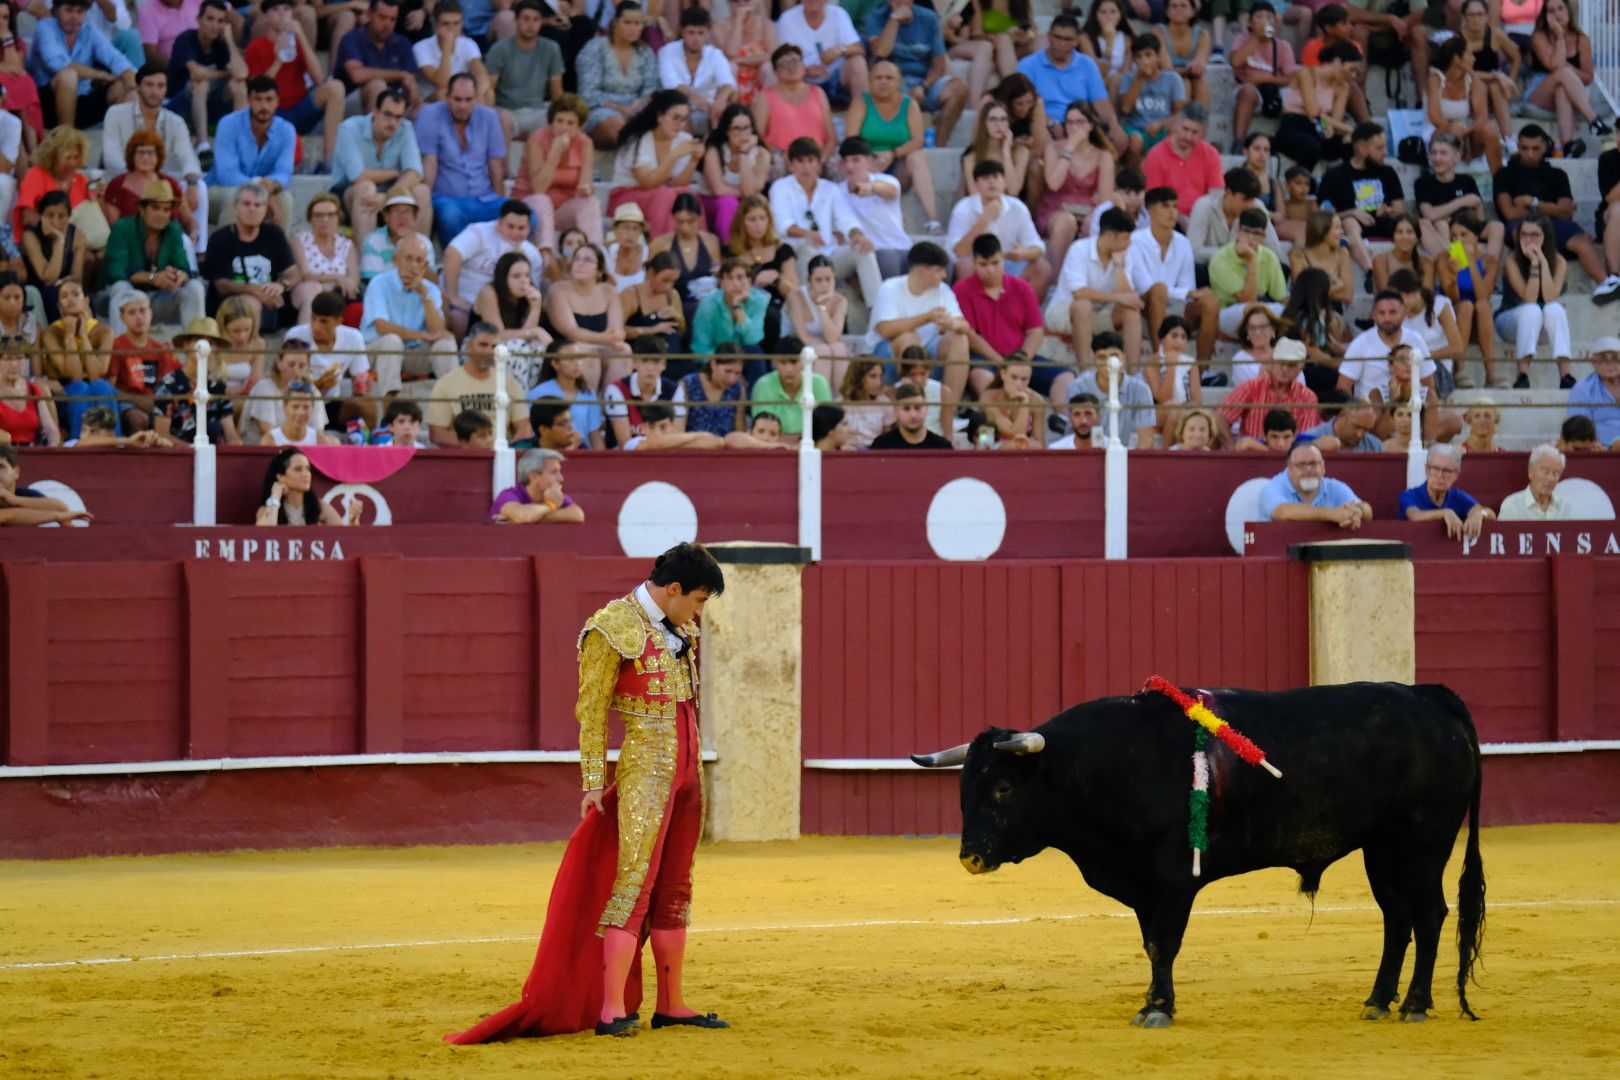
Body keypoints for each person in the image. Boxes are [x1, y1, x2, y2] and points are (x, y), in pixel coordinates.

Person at [447, 542, 725, 1043]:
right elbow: (591, 711)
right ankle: (611, 1007)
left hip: (687, 776)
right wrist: (593, 781)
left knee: (676, 889)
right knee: (632, 886)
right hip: (647, 773)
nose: (700, 613)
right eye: (700, 601)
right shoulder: (610, 627)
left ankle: (672, 1004)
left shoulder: (680, 626)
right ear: (675, 589)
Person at [1493, 125, 1610, 336]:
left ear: (1545, 146)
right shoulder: (1505, 174)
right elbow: (1510, 213)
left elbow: (1567, 212)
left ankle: (1606, 284)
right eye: (1524, 147)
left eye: (1535, 148)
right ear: (1518, 146)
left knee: (1582, 240)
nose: (1529, 153)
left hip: (1554, 226)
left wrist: (1531, 202)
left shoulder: (1557, 174)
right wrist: (1551, 207)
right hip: (1522, 227)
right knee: (1520, 233)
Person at [99, 65, 204, 248]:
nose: (155, 91)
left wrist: (193, 183)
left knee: (200, 186)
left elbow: (188, 157)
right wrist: (141, 175)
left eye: (160, 86)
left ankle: (199, 250)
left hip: (162, 179)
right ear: (138, 87)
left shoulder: (175, 121)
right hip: (121, 177)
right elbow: (111, 157)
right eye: (149, 85)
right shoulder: (116, 114)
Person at [868, 242, 971, 410]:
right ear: (921, 271)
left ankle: (949, 412)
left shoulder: (943, 291)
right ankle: (910, 407)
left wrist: (951, 323)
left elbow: (965, 326)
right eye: (939, 270)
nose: (944, 275)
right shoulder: (890, 288)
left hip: (928, 357)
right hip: (889, 357)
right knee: (909, 339)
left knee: (959, 339)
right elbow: (885, 329)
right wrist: (927, 317)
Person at [843, 58, 941, 233]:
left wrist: (893, 153)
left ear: (899, 81)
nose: (883, 82)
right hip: (867, 166)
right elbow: (851, 139)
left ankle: (933, 220)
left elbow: (917, 140)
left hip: (897, 164)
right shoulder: (861, 102)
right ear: (870, 81)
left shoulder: (909, 104)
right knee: (853, 161)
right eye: (878, 78)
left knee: (917, 156)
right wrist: (870, 160)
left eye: (889, 78)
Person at [244, 0, 344, 172]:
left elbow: (319, 79)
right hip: (273, 113)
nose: (282, 13)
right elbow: (256, 89)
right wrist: (279, 59)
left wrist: (302, 36)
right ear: (267, 16)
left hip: (299, 108)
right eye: (276, 9)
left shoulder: (298, 44)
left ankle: (329, 160)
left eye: (286, 9)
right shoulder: (256, 46)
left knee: (335, 87)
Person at [100, 179, 205, 337]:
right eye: (155, 208)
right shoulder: (122, 228)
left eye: (166, 210)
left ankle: (196, 353)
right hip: (123, 298)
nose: (161, 215)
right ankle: (122, 357)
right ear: (142, 209)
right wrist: (152, 278)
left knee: (194, 287)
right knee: (121, 287)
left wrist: (178, 277)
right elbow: (116, 271)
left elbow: (183, 266)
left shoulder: (173, 230)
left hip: (158, 298)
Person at [1046, 207, 1140, 381]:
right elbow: (1079, 293)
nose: (1129, 243)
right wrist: (1118, 298)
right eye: (1126, 238)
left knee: (1130, 310)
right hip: (1065, 313)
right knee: (1083, 305)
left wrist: (1119, 265)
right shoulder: (1079, 249)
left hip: (1098, 314)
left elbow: (1129, 298)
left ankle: (1132, 374)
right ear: (1111, 236)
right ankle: (1086, 372)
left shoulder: (1124, 255)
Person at [363, 233, 459, 396]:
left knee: (446, 345)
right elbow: (382, 327)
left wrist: (424, 295)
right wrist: (422, 335)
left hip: (413, 353)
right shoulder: (379, 284)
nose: (413, 265)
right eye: (408, 259)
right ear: (396, 260)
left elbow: (437, 332)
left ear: (425, 266)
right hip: (377, 351)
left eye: (419, 260)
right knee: (392, 341)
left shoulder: (431, 290)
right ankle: (391, 405)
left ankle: (454, 402)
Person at [864, 1, 971, 148]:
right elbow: (881, 53)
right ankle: (899, 145)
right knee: (888, 87)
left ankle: (937, 147)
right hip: (892, 80)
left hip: (923, 80)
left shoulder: (929, 18)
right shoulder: (875, 17)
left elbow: (939, 65)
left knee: (960, 89)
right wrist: (894, 19)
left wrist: (924, 86)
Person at [332, 86, 431, 243]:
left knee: (422, 191)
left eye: (398, 117)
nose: (393, 123)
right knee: (366, 188)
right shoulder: (349, 128)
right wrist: (394, 172)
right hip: (348, 193)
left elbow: (415, 173)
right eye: (387, 115)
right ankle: (366, 263)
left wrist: (388, 198)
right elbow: (358, 175)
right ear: (375, 111)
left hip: (388, 194)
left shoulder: (405, 128)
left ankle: (419, 257)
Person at [418, 74, 507, 246]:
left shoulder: (489, 117)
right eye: (457, 99)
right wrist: (426, 207)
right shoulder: (430, 115)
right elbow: (429, 163)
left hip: (484, 198)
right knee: (451, 217)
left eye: (468, 100)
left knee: (526, 217)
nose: (463, 106)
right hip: (447, 199)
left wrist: (500, 203)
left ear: (476, 99)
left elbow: (496, 165)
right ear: (447, 97)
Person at [202, 183, 298, 334]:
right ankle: (252, 350)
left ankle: (303, 347)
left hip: (272, 301)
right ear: (235, 207)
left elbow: (293, 272)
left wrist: (282, 285)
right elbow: (222, 285)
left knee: (309, 289)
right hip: (232, 307)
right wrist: (257, 292)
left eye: (258, 205)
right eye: (246, 204)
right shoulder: (220, 239)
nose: (252, 209)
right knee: (249, 303)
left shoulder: (274, 234)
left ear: (265, 209)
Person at [955, 234, 1044, 396]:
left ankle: (1062, 419)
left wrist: (1022, 361)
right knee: (980, 376)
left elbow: (1035, 330)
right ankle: (1000, 419)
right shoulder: (962, 290)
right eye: (983, 264)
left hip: (1021, 356)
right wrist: (1002, 363)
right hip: (984, 359)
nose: (991, 270)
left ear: (1003, 260)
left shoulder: (1022, 287)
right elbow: (970, 335)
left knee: (1064, 376)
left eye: (996, 263)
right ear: (974, 264)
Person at [947, 158, 1049, 298]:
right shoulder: (963, 208)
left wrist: (1023, 254)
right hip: (978, 263)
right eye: (985, 178)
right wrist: (984, 220)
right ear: (976, 184)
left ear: (1004, 182)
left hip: (1010, 262)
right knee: (965, 265)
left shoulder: (1018, 207)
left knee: (1043, 268)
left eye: (996, 177)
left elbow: (1037, 247)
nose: (992, 182)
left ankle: (1021, 314)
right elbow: (959, 252)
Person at [27, 0, 136, 130]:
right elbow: (57, 63)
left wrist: (132, 90)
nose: (74, 17)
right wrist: (103, 75)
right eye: (69, 10)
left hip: (81, 101)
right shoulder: (45, 27)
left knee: (124, 83)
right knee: (68, 76)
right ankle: (67, 138)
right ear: (57, 10)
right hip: (46, 104)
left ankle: (116, 138)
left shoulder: (89, 31)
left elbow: (117, 59)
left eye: (79, 12)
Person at [206, 76, 295, 229]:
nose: (264, 105)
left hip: (264, 192)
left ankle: (279, 251)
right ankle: (226, 251)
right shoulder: (228, 124)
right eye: (258, 99)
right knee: (238, 197)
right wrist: (261, 187)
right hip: (218, 190)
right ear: (248, 100)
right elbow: (227, 174)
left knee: (285, 199)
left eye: (269, 99)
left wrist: (270, 188)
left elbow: (284, 172)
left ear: (277, 101)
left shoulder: (286, 130)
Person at [1036, 101, 1114, 275]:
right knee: (1066, 221)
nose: (1074, 127)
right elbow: (1053, 183)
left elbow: (1106, 199)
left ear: (1091, 125)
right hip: (1055, 209)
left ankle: (1085, 279)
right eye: (1070, 122)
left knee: (1094, 223)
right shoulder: (1053, 148)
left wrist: (1092, 218)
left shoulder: (1103, 155)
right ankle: (1055, 279)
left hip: (1088, 210)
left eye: (1080, 122)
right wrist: (1070, 147)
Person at [1496, 212, 1572, 390]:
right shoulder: (1512, 260)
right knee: (1532, 310)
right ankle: (1522, 375)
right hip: (1510, 320)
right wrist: (1534, 264)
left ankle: (1566, 376)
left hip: (1543, 326)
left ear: (1546, 236)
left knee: (1555, 309)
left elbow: (1550, 297)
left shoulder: (1559, 261)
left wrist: (1543, 262)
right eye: (1524, 234)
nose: (1529, 239)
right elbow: (1529, 298)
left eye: (1535, 235)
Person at [517, 94, 604, 250]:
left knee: (590, 203)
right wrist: (554, 154)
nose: (564, 127)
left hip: (563, 208)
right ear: (551, 122)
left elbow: (586, 184)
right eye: (559, 121)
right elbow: (539, 188)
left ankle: (593, 254)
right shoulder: (537, 139)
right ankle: (546, 254)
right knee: (542, 201)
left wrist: (586, 189)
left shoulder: (585, 143)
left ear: (579, 126)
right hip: (531, 205)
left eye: (570, 123)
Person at [424, 322, 531, 447]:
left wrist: (507, 451)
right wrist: (472, 447)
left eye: (494, 346)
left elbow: (523, 428)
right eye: (483, 345)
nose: (489, 351)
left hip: (502, 454)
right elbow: (437, 434)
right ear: (469, 346)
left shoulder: (509, 383)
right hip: (465, 458)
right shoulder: (446, 384)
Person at [1525, 0, 1610, 158]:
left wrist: (1568, 70)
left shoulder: (1581, 39)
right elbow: (1554, 66)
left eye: (1560, 9)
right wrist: (1559, 36)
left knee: (1562, 90)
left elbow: (1588, 77)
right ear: (1545, 16)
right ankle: (1593, 120)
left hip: (1570, 93)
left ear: (1568, 11)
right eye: (1551, 11)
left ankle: (1568, 145)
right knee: (1562, 73)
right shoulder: (1539, 36)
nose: (1557, 14)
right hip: (1539, 93)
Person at [1317, 121, 1405, 274]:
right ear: (1362, 148)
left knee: (1423, 224)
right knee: (1350, 222)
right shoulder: (1335, 176)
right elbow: (1325, 214)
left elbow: (1399, 210)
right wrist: (1350, 212)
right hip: (1354, 227)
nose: (1385, 152)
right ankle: (1370, 270)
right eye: (1379, 148)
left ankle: (1457, 263)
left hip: (1384, 222)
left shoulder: (1388, 172)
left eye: (1385, 146)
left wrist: (1388, 210)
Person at [546, 242, 632, 393]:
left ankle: (612, 408)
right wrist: (607, 339)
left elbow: (618, 330)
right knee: (588, 355)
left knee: (624, 351)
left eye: (587, 260)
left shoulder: (609, 291)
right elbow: (572, 332)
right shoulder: (558, 290)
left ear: (599, 270)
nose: (580, 264)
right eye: (577, 259)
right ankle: (587, 405)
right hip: (568, 347)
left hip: (601, 345)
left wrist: (616, 337)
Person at [165, 0, 247, 157]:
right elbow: (197, 74)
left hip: (209, 106)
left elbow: (242, 73)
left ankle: (240, 142)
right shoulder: (186, 39)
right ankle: (203, 144)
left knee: (239, 85)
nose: (214, 25)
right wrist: (226, 73)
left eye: (220, 21)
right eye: (210, 19)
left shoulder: (222, 44)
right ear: (199, 20)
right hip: (178, 104)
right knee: (200, 84)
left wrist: (229, 41)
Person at [1016, 12, 1116, 137]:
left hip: (1080, 125)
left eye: (1068, 39)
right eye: (1057, 37)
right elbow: (1025, 107)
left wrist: (1115, 126)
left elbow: (1100, 102)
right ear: (1049, 36)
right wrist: (1052, 124)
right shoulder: (1028, 65)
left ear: (1077, 41)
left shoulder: (1087, 64)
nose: (1062, 43)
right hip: (1042, 125)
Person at [577, 2, 660, 150]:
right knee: (616, 125)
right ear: (615, 23)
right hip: (600, 110)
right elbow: (587, 94)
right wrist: (621, 108)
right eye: (627, 22)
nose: (633, 28)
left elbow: (651, 88)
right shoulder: (594, 49)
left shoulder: (645, 52)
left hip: (637, 110)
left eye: (638, 23)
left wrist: (640, 104)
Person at [41, 279, 115, 440]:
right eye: (65, 296)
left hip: (95, 386)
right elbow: (74, 376)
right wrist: (69, 335)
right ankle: (79, 446)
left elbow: (97, 374)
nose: (71, 299)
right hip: (65, 390)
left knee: (103, 387)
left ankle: (114, 444)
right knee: (80, 388)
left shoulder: (104, 331)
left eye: (76, 294)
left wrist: (83, 336)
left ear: (86, 300)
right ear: (59, 305)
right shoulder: (51, 333)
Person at [1415, 131, 1502, 264]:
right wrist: (1462, 202)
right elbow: (1430, 214)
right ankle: (1455, 268)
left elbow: (1480, 219)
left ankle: (1488, 269)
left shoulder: (1467, 181)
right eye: (1434, 153)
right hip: (1442, 231)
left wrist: (1477, 208)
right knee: (1439, 224)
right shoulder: (1423, 183)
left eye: (1443, 153)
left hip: (1467, 228)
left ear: (1456, 157)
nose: (1437, 158)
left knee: (1497, 226)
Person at [1060, 333, 1158, 448]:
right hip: (1082, 453)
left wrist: (1128, 464)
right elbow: (1076, 433)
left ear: (1124, 357)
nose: (1108, 363)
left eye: (1114, 356)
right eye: (1102, 357)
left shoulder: (1140, 390)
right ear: (1093, 359)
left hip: (1121, 455)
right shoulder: (1078, 387)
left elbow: (1146, 439)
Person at [154, 316, 240, 445]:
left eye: (210, 343)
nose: (204, 347)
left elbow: (231, 435)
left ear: (215, 349)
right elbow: (162, 436)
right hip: (178, 459)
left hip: (216, 459)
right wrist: (196, 451)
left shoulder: (219, 387)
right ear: (185, 345)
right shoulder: (168, 385)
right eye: (198, 341)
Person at [486, 1, 564, 141]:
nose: (531, 24)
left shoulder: (551, 49)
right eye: (526, 19)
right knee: (499, 119)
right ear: (516, 20)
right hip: (507, 111)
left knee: (567, 121)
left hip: (538, 110)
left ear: (541, 22)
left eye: (536, 19)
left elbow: (556, 92)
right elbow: (489, 89)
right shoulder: (500, 49)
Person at [1220, 338, 1322, 443]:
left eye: (1291, 365)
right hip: (1251, 455)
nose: (1285, 369)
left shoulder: (1308, 398)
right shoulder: (1250, 387)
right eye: (1280, 363)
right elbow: (1220, 417)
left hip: (1289, 456)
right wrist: (1230, 446)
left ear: (1301, 368)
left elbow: (1304, 439)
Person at [695, 103, 770, 247]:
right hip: (711, 202)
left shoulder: (762, 154)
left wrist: (743, 154)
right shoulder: (714, 151)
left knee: (758, 204)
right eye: (736, 129)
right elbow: (718, 190)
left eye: (746, 128)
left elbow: (753, 191)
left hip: (743, 202)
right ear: (726, 131)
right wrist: (745, 194)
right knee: (728, 201)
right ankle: (729, 247)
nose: (742, 134)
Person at [104, 290, 178, 433]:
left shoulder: (159, 349)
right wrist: (139, 401)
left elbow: (167, 387)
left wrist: (155, 405)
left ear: (150, 314)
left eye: (142, 311)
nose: (139, 317)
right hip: (125, 404)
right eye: (131, 313)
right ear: (122, 318)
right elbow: (110, 389)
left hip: (153, 404)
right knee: (139, 419)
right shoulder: (116, 346)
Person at [774, 0, 867, 109]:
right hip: (802, 81)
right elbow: (781, 60)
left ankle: (864, 114)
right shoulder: (787, 20)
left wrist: (840, 50)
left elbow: (858, 48)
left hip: (835, 78)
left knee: (858, 62)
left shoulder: (838, 14)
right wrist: (805, 71)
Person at [1142, 106, 1222, 231]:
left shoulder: (1210, 154)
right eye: (1185, 129)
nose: (1188, 136)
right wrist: (1179, 218)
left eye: (1195, 132)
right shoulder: (1156, 154)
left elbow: (1216, 193)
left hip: (1203, 218)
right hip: (1167, 218)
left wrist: (1200, 219)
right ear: (1175, 126)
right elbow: (1153, 198)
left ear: (1203, 133)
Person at [1230, 4, 1296, 152]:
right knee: (1247, 92)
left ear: (1275, 22)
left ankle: (1285, 141)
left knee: (1298, 96)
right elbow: (1235, 61)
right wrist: (1255, 37)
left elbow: (1291, 78)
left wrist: (1265, 78)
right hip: (1247, 89)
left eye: (1268, 17)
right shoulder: (1242, 39)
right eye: (1259, 17)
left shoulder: (1283, 46)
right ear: (1250, 23)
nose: (1264, 21)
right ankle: (1238, 143)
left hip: (1273, 90)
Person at [658, 5, 735, 132]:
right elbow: (672, 84)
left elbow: (727, 82)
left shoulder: (715, 54)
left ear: (708, 33)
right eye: (691, 32)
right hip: (676, 106)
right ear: (682, 31)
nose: (696, 38)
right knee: (679, 112)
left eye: (701, 33)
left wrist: (720, 100)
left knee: (730, 104)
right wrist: (695, 99)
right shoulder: (667, 52)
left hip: (709, 109)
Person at [336, 0, 420, 116]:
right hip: (349, 103)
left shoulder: (402, 43)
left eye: (392, 19)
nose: (387, 24)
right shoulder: (352, 39)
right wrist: (400, 74)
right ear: (369, 14)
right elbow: (357, 75)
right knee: (377, 85)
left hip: (393, 103)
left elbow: (410, 80)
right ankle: (373, 133)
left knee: (424, 108)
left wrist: (413, 96)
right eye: (382, 17)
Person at [1258, 441, 1372, 526]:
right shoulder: (1272, 487)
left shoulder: (1334, 487)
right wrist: (1330, 514)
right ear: (1290, 470)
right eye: (1301, 465)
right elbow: (1283, 513)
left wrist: (1357, 511)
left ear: (1323, 467)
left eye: (1313, 464)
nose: (1308, 470)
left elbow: (1367, 509)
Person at [1188, 166, 1284, 265]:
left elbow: (1275, 251)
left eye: (1252, 199)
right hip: (1210, 268)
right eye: (1245, 199)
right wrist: (1233, 252)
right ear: (1228, 192)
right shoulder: (1204, 206)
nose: (1250, 205)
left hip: (1246, 271)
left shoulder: (1257, 207)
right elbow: (1193, 251)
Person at [1401, 443, 1493, 541]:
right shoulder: (1410, 495)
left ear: (1456, 475)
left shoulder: (1458, 496)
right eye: (1435, 469)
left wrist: (1480, 514)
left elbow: (1490, 514)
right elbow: (1415, 516)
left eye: (1447, 471)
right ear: (1427, 470)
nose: (1440, 475)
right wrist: (1444, 513)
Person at [243, 339, 327, 443]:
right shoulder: (264, 388)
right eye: (291, 364)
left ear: (308, 367)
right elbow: (268, 432)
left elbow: (317, 433)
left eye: (301, 366)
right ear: (279, 363)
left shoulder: (313, 392)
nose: (296, 371)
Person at [1119, 32, 1186, 163]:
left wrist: (1161, 123)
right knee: (1136, 141)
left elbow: (1181, 113)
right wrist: (1139, 79)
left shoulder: (1172, 78)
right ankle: (1135, 177)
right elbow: (1125, 109)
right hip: (1135, 128)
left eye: (1148, 55)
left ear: (1157, 57)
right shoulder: (1129, 79)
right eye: (1139, 57)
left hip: (1162, 128)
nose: (1144, 60)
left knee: (1175, 135)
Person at [786, 254, 850, 383]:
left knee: (838, 348)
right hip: (794, 346)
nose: (824, 285)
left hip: (825, 347)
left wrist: (822, 309)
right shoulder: (796, 295)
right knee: (823, 350)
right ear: (809, 280)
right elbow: (802, 336)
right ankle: (821, 399)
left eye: (828, 279)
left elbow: (833, 339)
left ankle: (841, 399)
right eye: (819, 280)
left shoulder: (840, 301)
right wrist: (824, 342)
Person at [413, 1, 491, 106]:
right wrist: (446, 48)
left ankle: (480, 120)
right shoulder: (421, 47)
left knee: (489, 93)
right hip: (429, 99)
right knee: (443, 93)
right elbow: (442, 83)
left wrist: (478, 95)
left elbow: (480, 74)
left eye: (456, 23)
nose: (451, 29)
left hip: (459, 97)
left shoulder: (468, 44)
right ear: (435, 25)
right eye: (446, 24)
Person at [254, 447, 357, 525]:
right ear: (280, 477)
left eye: (307, 469)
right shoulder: (266, 509)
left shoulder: (318, 506)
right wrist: (275, 497)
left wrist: (353, 521)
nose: (306, 474)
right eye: (298, 469)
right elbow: (264, 536)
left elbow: (345, 539)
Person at [749, 346, 832, 437]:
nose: (789, 369)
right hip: (773, 444)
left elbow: (827, 425)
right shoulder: (763, 385)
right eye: (783, 362)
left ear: (805, 362)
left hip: (813, 443)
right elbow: (763, 430)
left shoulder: (818, 383)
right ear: (774, 363)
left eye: (794, 362)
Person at [530, 352, 607, 449]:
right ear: (544, 430)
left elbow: (595, 434)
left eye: (570, 422)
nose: (571, 428)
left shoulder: (580, 448)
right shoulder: (522, 451)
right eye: (563, 424)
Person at [0, 340, 61, 447]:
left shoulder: (33, 389)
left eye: (19, 358)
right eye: (8, 359)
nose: (14, 364)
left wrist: (53, 445)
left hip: (32, 453)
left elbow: (50, 429)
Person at [978, 354, 1044, 448]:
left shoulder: (1037, 401)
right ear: (1003, 374)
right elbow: (1015, 434)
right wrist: (1024, 402)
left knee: (1035, 446)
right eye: (1014, 377)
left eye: (1024, 379)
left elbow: (1040, 442)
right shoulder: (988, 397)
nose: (1018, 384)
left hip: (1022, 446)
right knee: (1017, 444)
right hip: (989, 445)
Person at [1565, 335, 1620, 447]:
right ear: (1594, 362)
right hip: (1600, 451)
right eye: (1603, 359)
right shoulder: (1582, 390)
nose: (1609, 364)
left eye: (1614, 358)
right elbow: (1579, 430)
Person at [1499, 444, 1574, 520]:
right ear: (1530, 472)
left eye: (1556, 473)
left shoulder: (1564, 507)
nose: (1551, 478)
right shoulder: (1511, 506)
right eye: (1546, 472)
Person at [871, 381, 953, 448]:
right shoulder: (881, 446)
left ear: (926, 408)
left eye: (918, 408)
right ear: (896, 411)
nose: (913, 415)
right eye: (906, 409)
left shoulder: (942, 447)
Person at [1296, 396, 1384, 452]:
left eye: (1366, 429)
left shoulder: (1376, 446)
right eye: (1356, 426)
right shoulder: (1311, 437)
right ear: (1342, 416)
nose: (1360, 434)